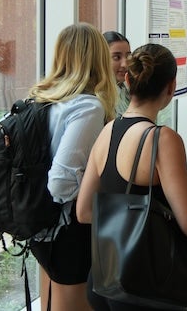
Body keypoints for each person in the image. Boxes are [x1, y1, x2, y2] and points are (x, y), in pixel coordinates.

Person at [77, 43, 187, 311]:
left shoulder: (108, 131)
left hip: (106, 280)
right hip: (146, 287)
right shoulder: (163, 139)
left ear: (127, 79)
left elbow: (84, 212)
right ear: (171, 87)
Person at [27, 23, 117, 311]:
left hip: (42, 224)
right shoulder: (87, 107)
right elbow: (61, 183)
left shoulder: (43, 99)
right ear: (98, 59)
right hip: (67, 228)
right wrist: (93, 187)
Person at [103, 31, 132, 117]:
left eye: (128, 57)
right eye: (116, 57)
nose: (125, 64)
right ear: (101, 58)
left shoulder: (126, 90)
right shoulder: (97, 99)